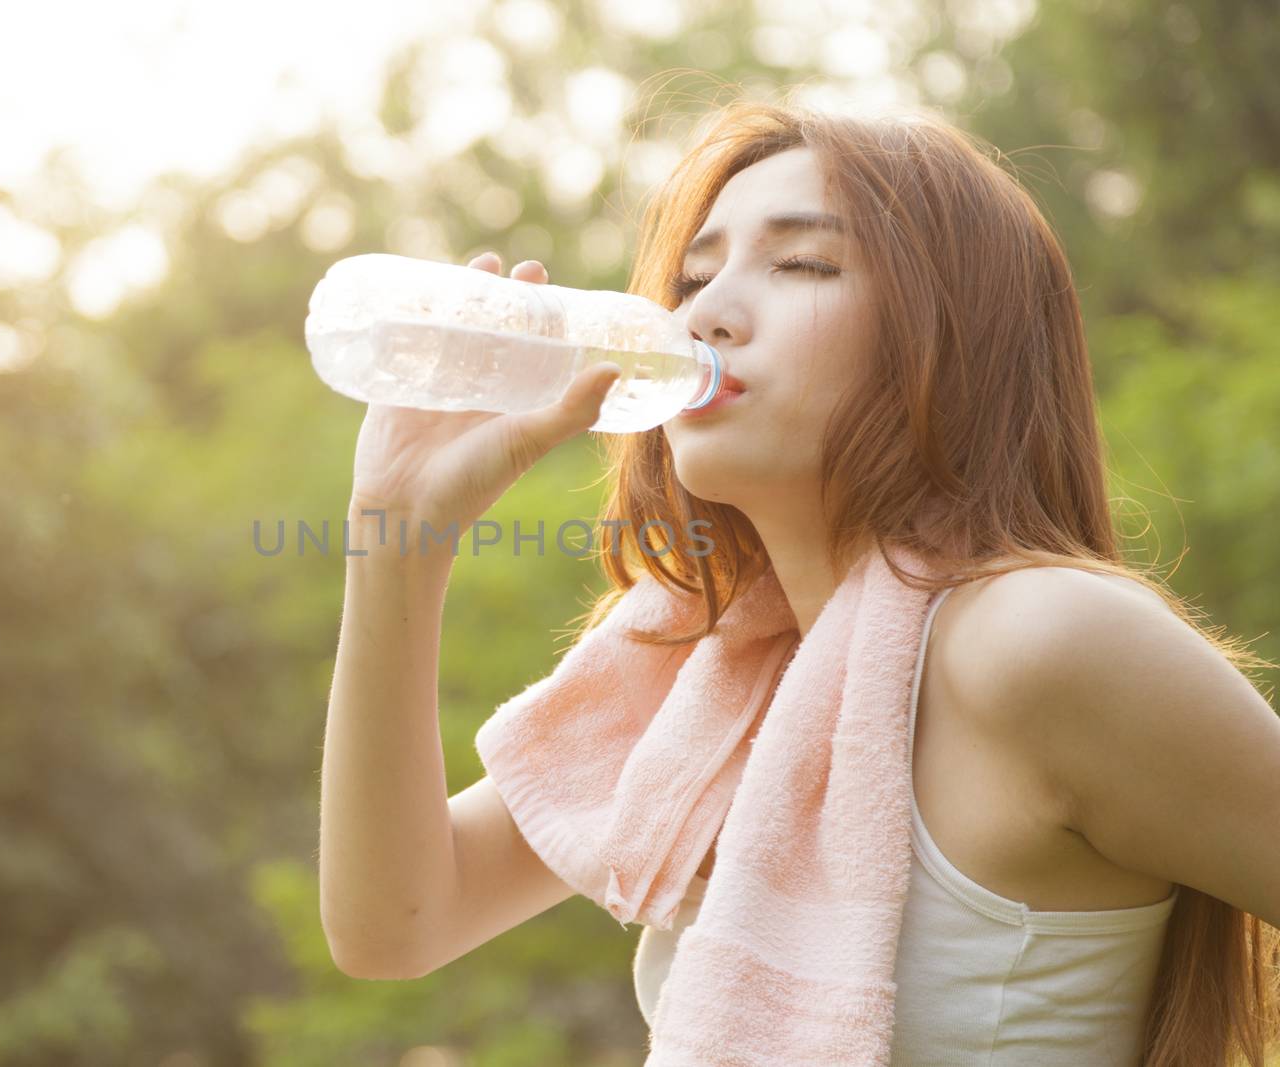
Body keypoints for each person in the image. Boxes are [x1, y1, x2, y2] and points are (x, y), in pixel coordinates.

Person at [318, 99, 1280, 1065]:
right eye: (695, 276)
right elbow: (395, 923)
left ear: (952, 337)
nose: (705, 313)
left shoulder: (1038, 639)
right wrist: (398, 535)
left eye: (803, 263)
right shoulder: (717, 673)